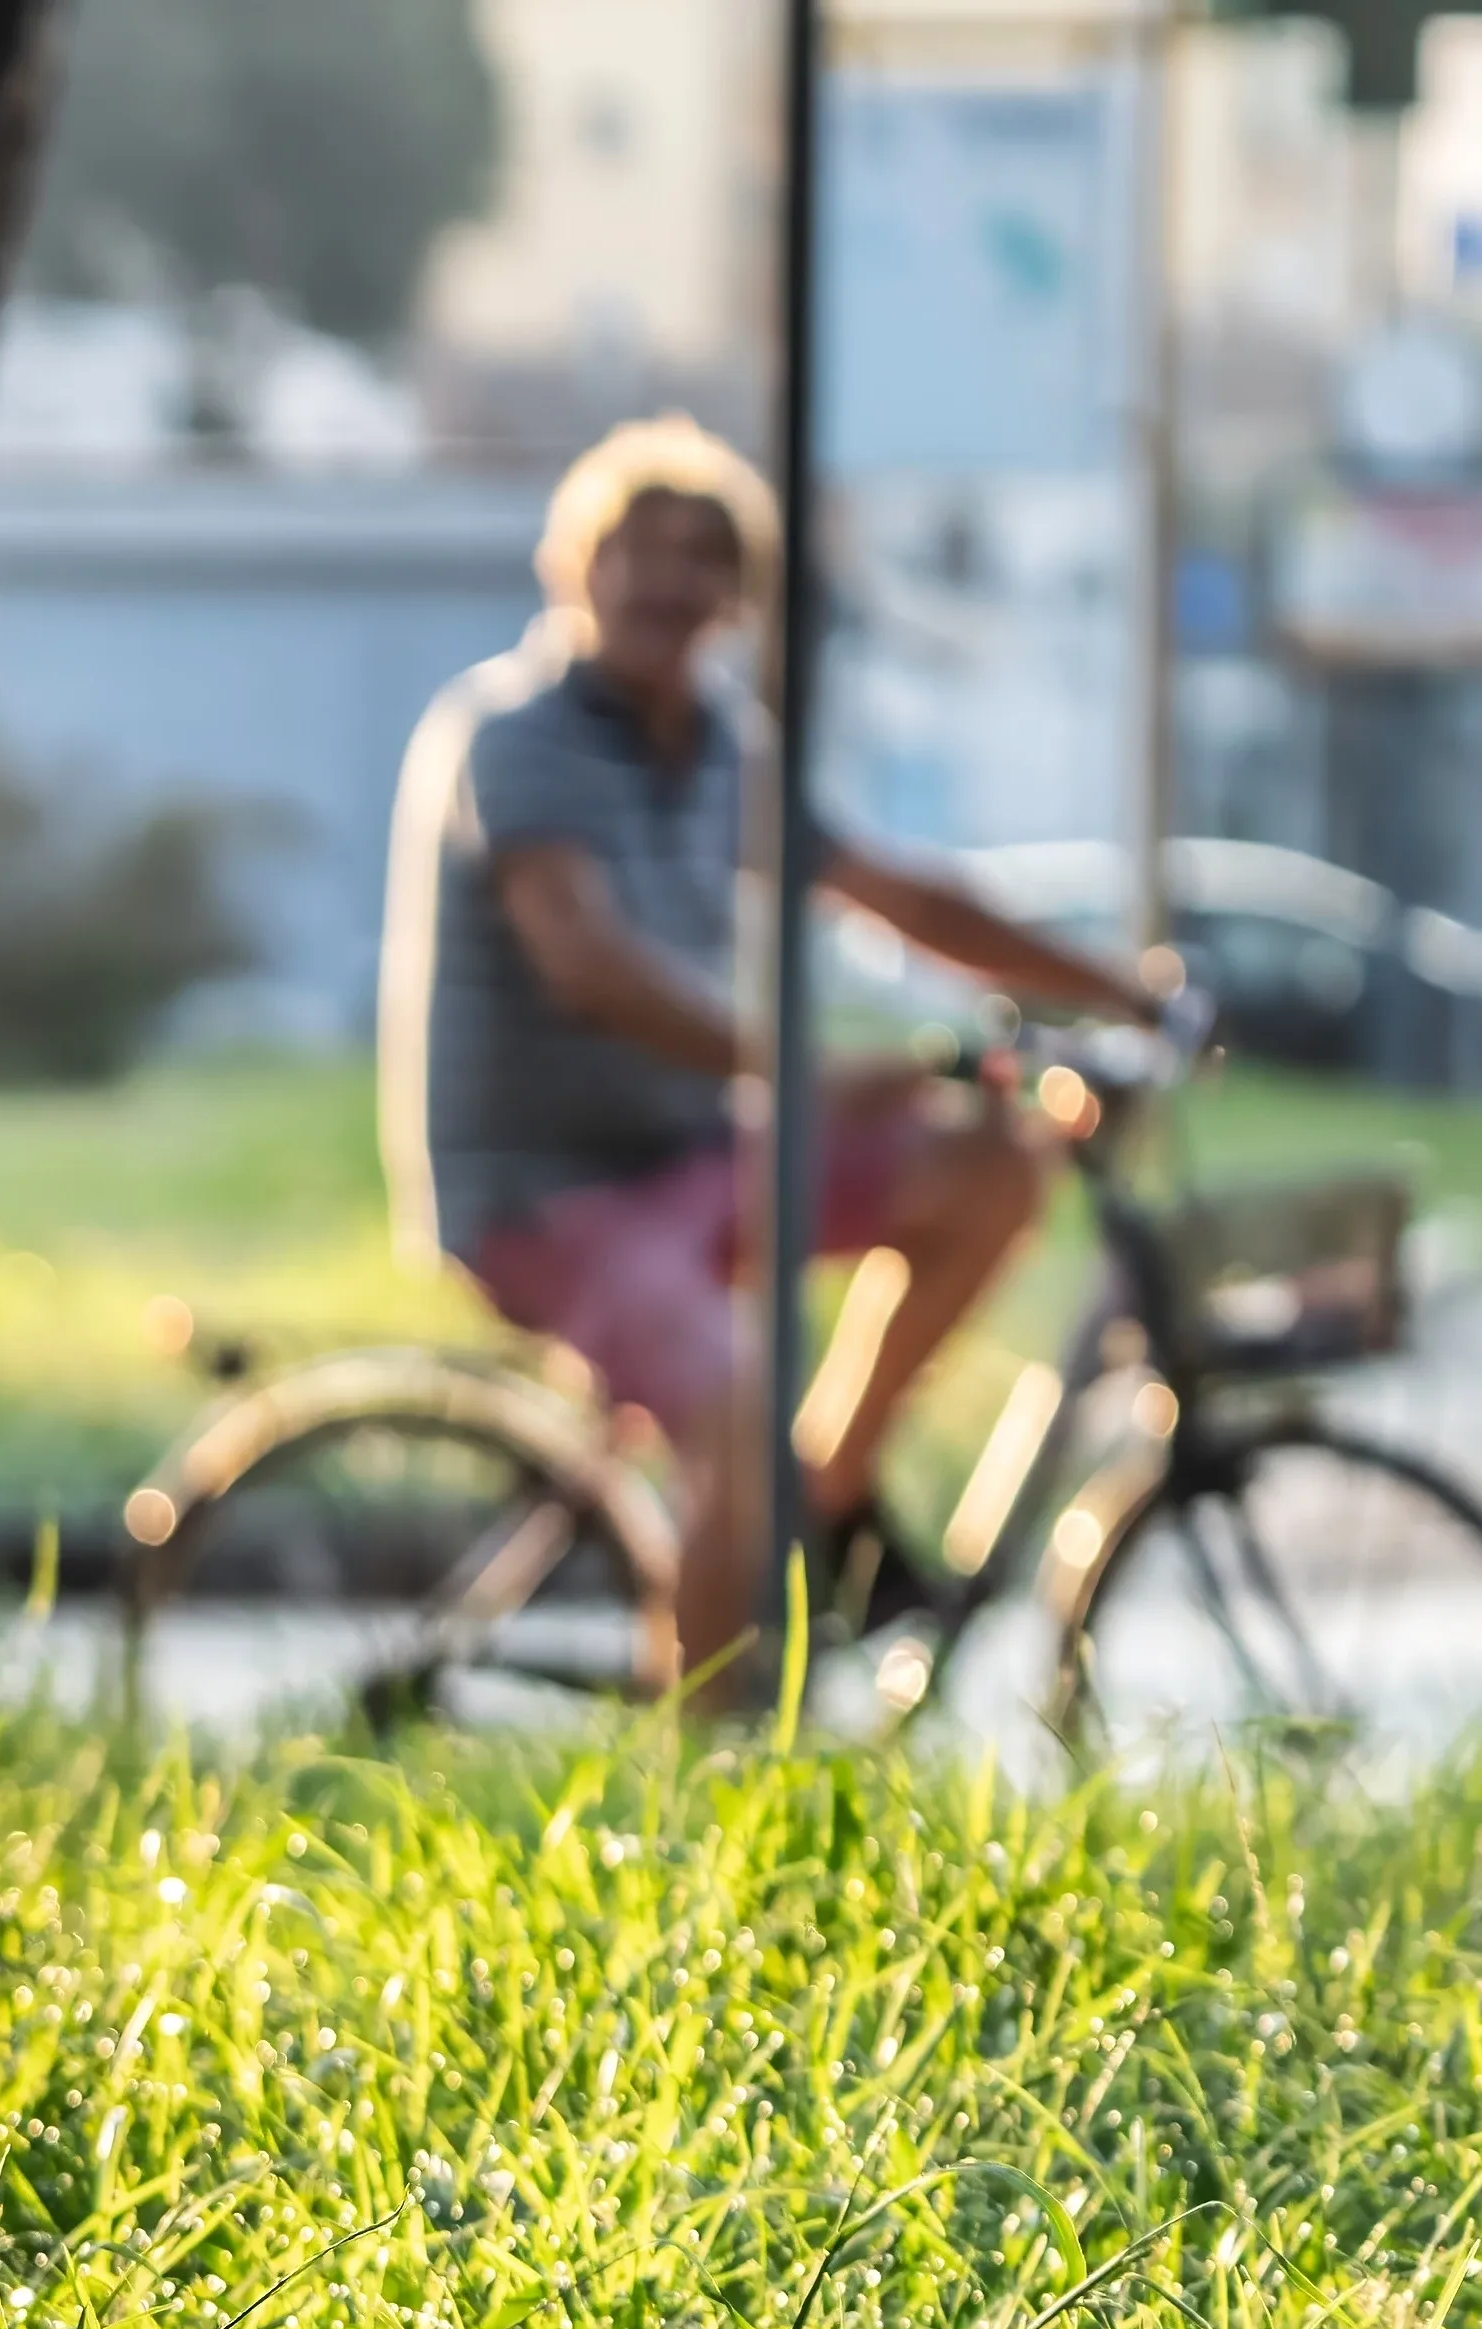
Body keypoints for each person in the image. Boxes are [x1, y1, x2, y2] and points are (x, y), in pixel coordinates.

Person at [380, 416, 1171, 1698]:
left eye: (703, 556)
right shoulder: (514, 736)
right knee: (733, 1411)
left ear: (738, 598)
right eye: (634, 550)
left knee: (988, 1170)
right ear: (571, 565)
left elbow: (898, 895)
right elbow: (581, 959)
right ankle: (710, 1781)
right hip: (546, 1194)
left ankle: (828, 1501)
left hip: (695, 1157)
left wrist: (1120, 992)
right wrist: (784, 1071)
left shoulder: (719, 746)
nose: (665, 581)